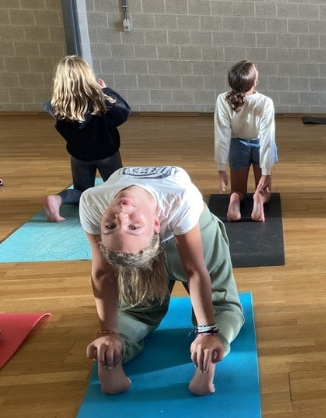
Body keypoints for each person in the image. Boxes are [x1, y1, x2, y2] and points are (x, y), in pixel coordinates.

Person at [79, 166, 244, 396]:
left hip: (176, 236)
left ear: (157, 225)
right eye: (112, 227)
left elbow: (103, 272)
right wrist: (108, 332)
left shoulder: (92, 200)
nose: (121, 216)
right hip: (141, 252)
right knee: (221, 307)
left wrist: (207, 333)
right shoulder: (178, 198)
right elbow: (104, 271)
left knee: (138, 311)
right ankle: (113, 354)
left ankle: (205, 357)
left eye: (130, 226)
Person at [43, 55, 131, 222]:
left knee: (82, 193)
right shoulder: (101, 101)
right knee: (118, 189)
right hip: (106, 154)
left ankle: (58, 199)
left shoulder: (57, 105)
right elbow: (123, 112)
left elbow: (61, 128)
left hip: (79, 156)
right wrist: (106, 91)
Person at [214, 60, 277, 222]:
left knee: (238, 189)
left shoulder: (222, 99)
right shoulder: (265, 102)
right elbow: (267, 138)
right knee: (265, 191)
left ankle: (235, 199)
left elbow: (222, 135)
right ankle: (259, 198)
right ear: (254, 81)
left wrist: (221, 167)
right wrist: (266, 171)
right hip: (260, 146)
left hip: (237, 146)